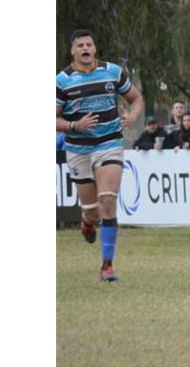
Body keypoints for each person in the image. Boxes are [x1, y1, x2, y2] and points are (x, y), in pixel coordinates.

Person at [55, 28, 144, 282]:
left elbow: (136, 98)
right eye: (80, 45)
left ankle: (107, 266)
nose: (85, 48)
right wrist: (74, 125)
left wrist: (132, 116)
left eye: (89, 45)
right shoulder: (62, 80)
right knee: (92, 211)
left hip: (109, 143)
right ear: (73, 50)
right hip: (78, 149)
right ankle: (87, 221)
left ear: (94, 49)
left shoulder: (113, 72)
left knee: (107, 201)